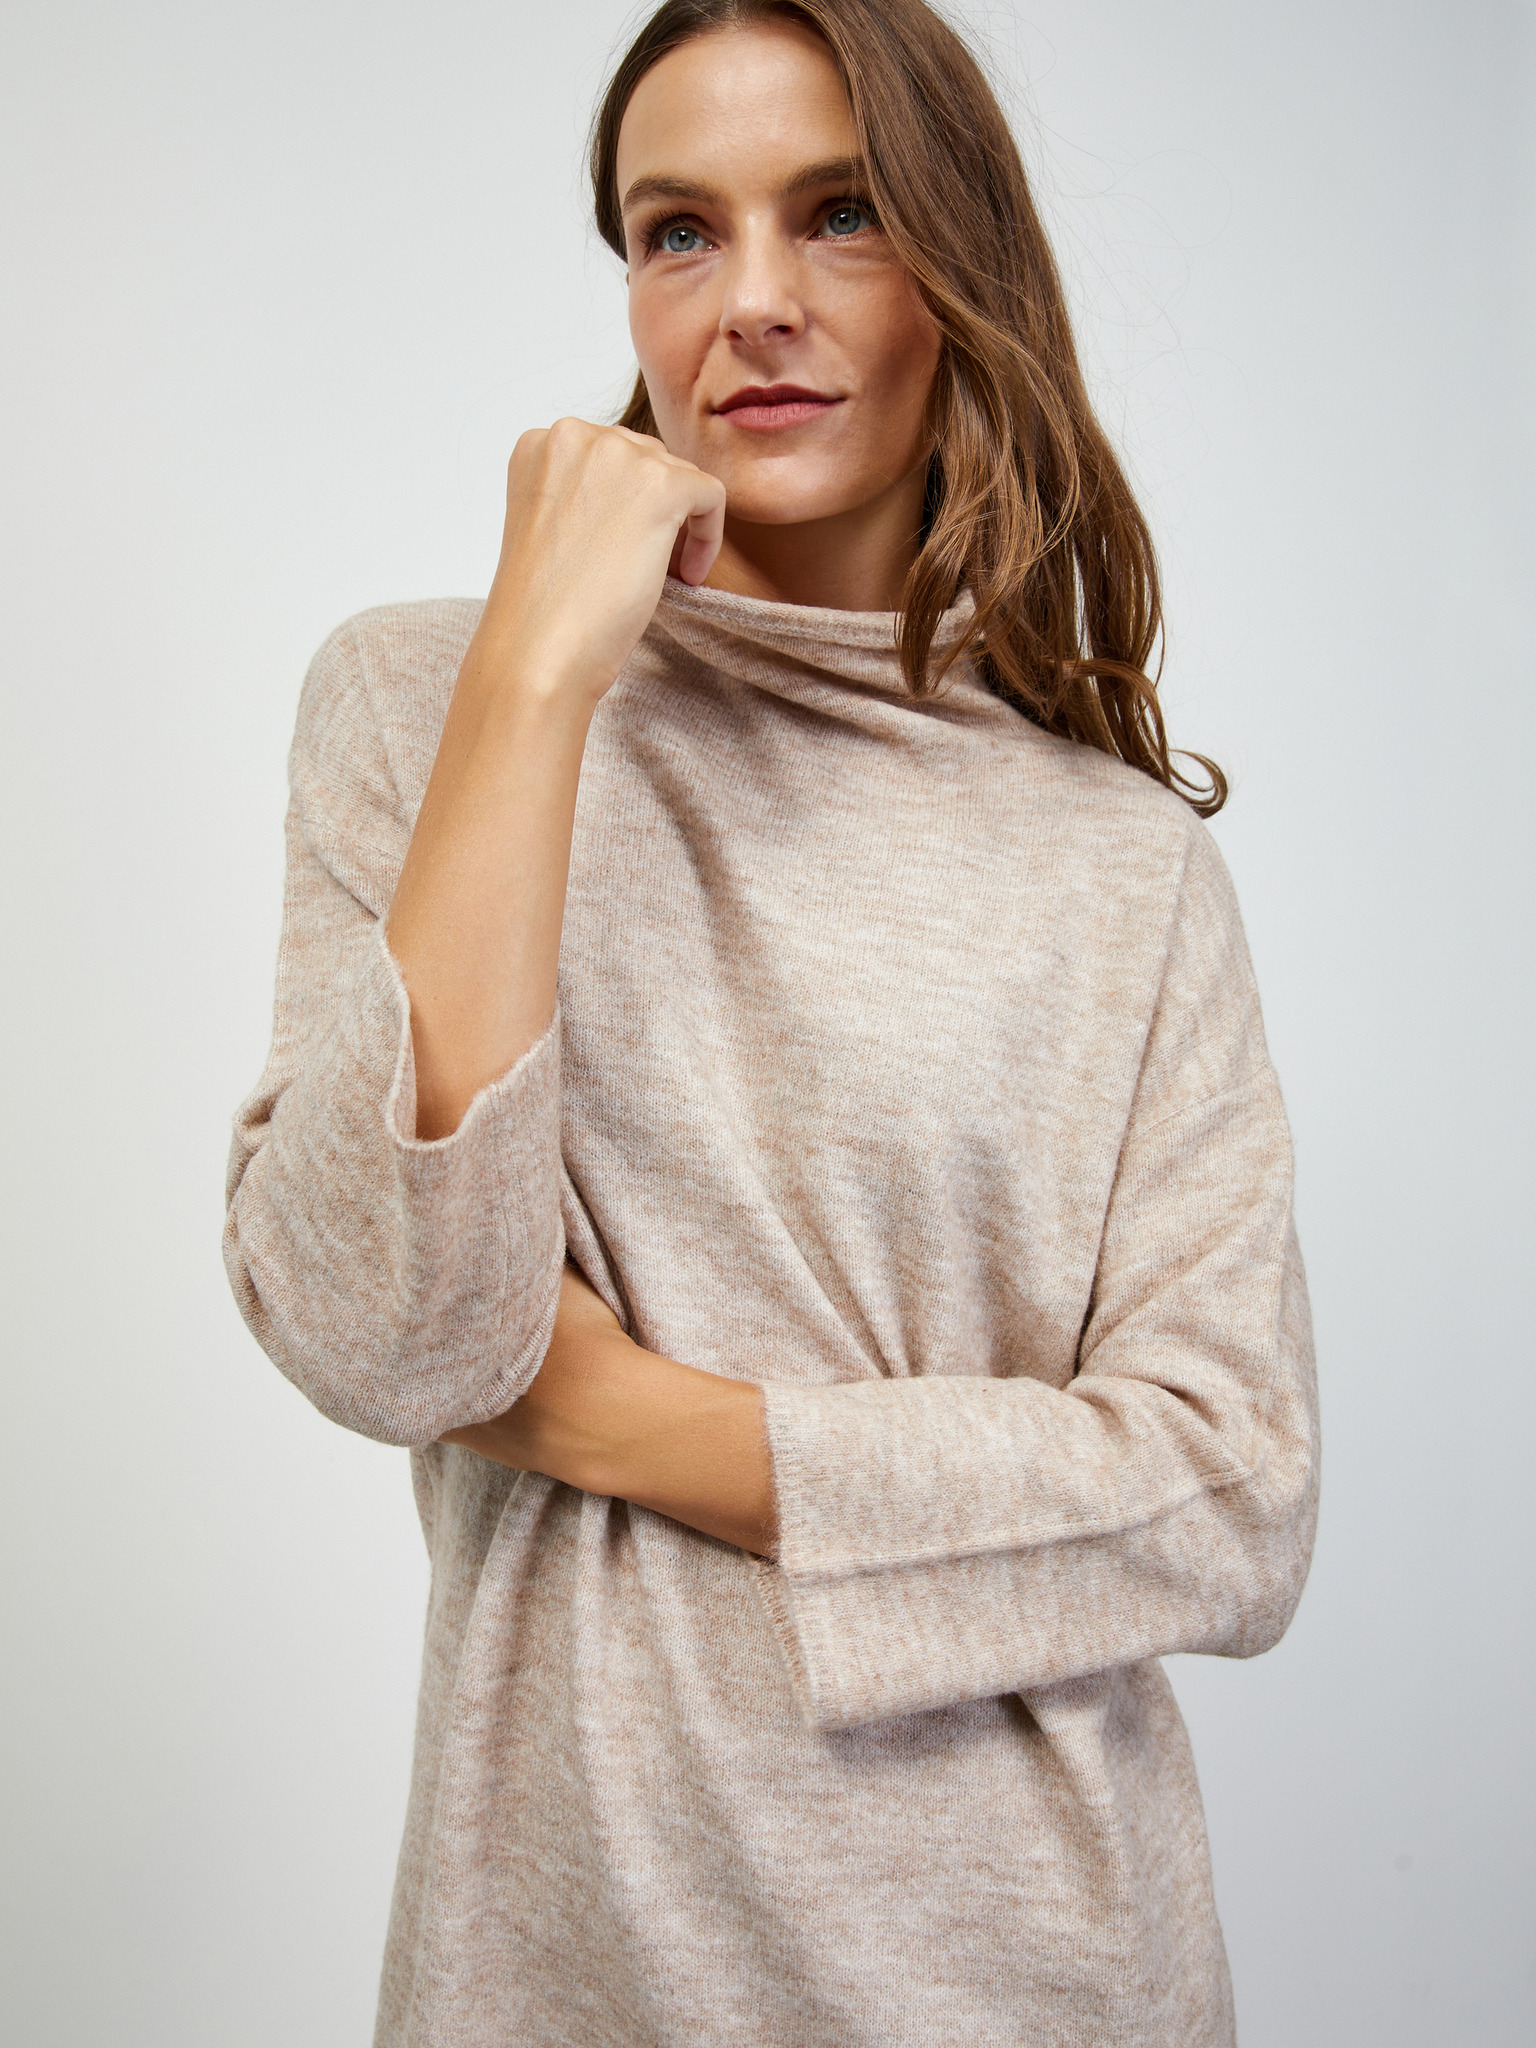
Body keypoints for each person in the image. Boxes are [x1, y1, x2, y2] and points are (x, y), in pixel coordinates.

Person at [223, 1, 1320, 2041]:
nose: (752, 303)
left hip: (1035, 1972)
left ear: (963, 269)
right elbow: (392, 1335)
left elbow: (1232, 1497)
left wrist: (625, 1418)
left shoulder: (1124, 866)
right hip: (561, 1972)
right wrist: (537, 677)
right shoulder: (424, 706)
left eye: (840, 214)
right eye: (678, 231)